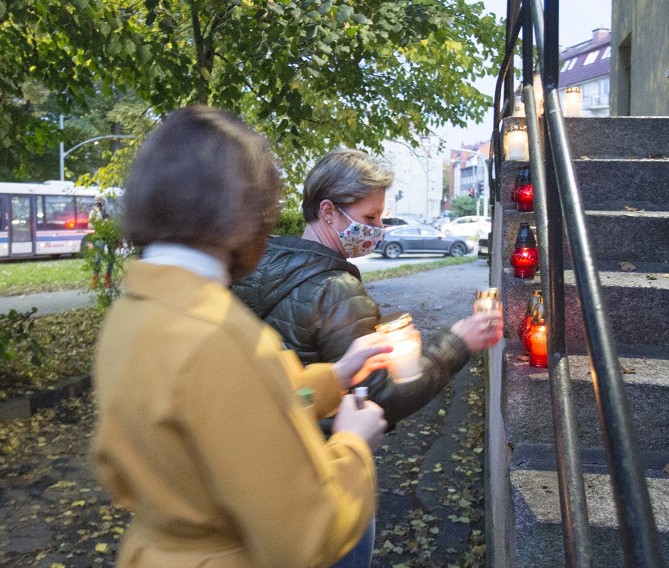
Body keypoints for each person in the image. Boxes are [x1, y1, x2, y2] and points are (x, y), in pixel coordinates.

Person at [91, 107, 390, 568]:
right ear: (243, 214)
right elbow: (305, 536)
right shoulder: (221, 337)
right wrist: (352, 443)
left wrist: (338, 374)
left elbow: (228, 409)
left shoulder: (131, 314)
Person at [232, 148, 502, 567]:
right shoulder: (336, 288)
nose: (378, 229)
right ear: (329, 212)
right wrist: (458, 342)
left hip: (256, 469)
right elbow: (382, 397)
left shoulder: (262, 265)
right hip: (323, 473)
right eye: (370, 217)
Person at [88, 194, 115, 289]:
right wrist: (101, 225)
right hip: (100, 236)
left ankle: (108, 278)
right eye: (97, 201)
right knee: (98, 258)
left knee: (111, 257)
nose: (99, 202)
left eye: (100, 200)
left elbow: (115, 222)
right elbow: (90, 225)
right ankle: (95, 279)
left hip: (110, 235)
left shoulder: (110, 210)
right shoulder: (94, 212)